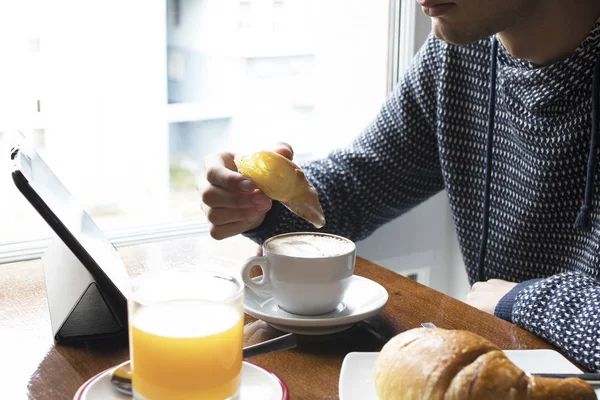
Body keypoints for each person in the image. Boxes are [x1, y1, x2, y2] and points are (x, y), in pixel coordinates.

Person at [199, 0, 600, 371]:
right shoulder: (462, 50)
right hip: (506, 372)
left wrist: (529, 303)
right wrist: (260, 200)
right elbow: (362, 183)